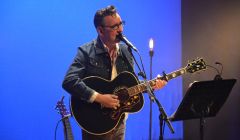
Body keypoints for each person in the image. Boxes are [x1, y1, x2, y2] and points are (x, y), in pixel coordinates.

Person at [62, 5, 167, 140]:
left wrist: (151, 85)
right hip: (95, 122)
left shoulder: (126, 51)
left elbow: (128, 87)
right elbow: (69, 81)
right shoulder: (86, 52)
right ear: (100, 30)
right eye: (115, 27)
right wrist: (99, 98)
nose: (121, 30)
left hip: (119, 120)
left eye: (121, 24)